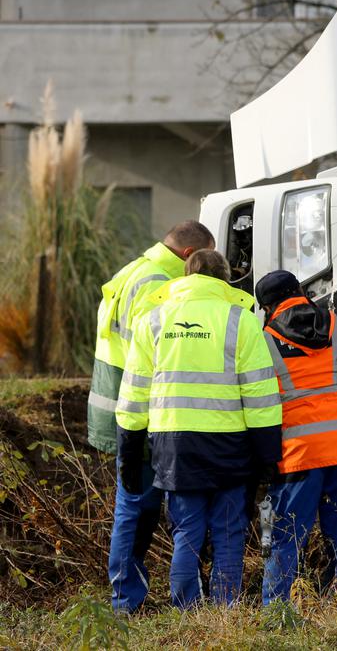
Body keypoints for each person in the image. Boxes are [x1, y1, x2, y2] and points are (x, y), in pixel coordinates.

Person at [116, 248, 282, 609]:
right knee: (227, 531)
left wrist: (128, 451)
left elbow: (133, 393)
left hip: (174, 447)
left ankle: (186, 608)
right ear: (225, 279)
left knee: (186, 533)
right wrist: (268, 455)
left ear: (186, 275)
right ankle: (224, 608)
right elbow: (260, 394)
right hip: (229, 445)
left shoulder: (154, 320)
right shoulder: (241, 320)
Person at [90, 220, 214, 613]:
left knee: (136, 507)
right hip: (140, 417)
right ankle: (127, 602)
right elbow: (156, 357)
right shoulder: (155, 283)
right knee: (136, 508)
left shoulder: (137, 270)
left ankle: (128, 599)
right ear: (190, 256)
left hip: (122, 411)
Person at [255, 270, 337, 606]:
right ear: (301, 291)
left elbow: (257, 394)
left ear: (266, 307)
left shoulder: (263, 339)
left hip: (299, 453)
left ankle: (277, 610)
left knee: (286, 536)